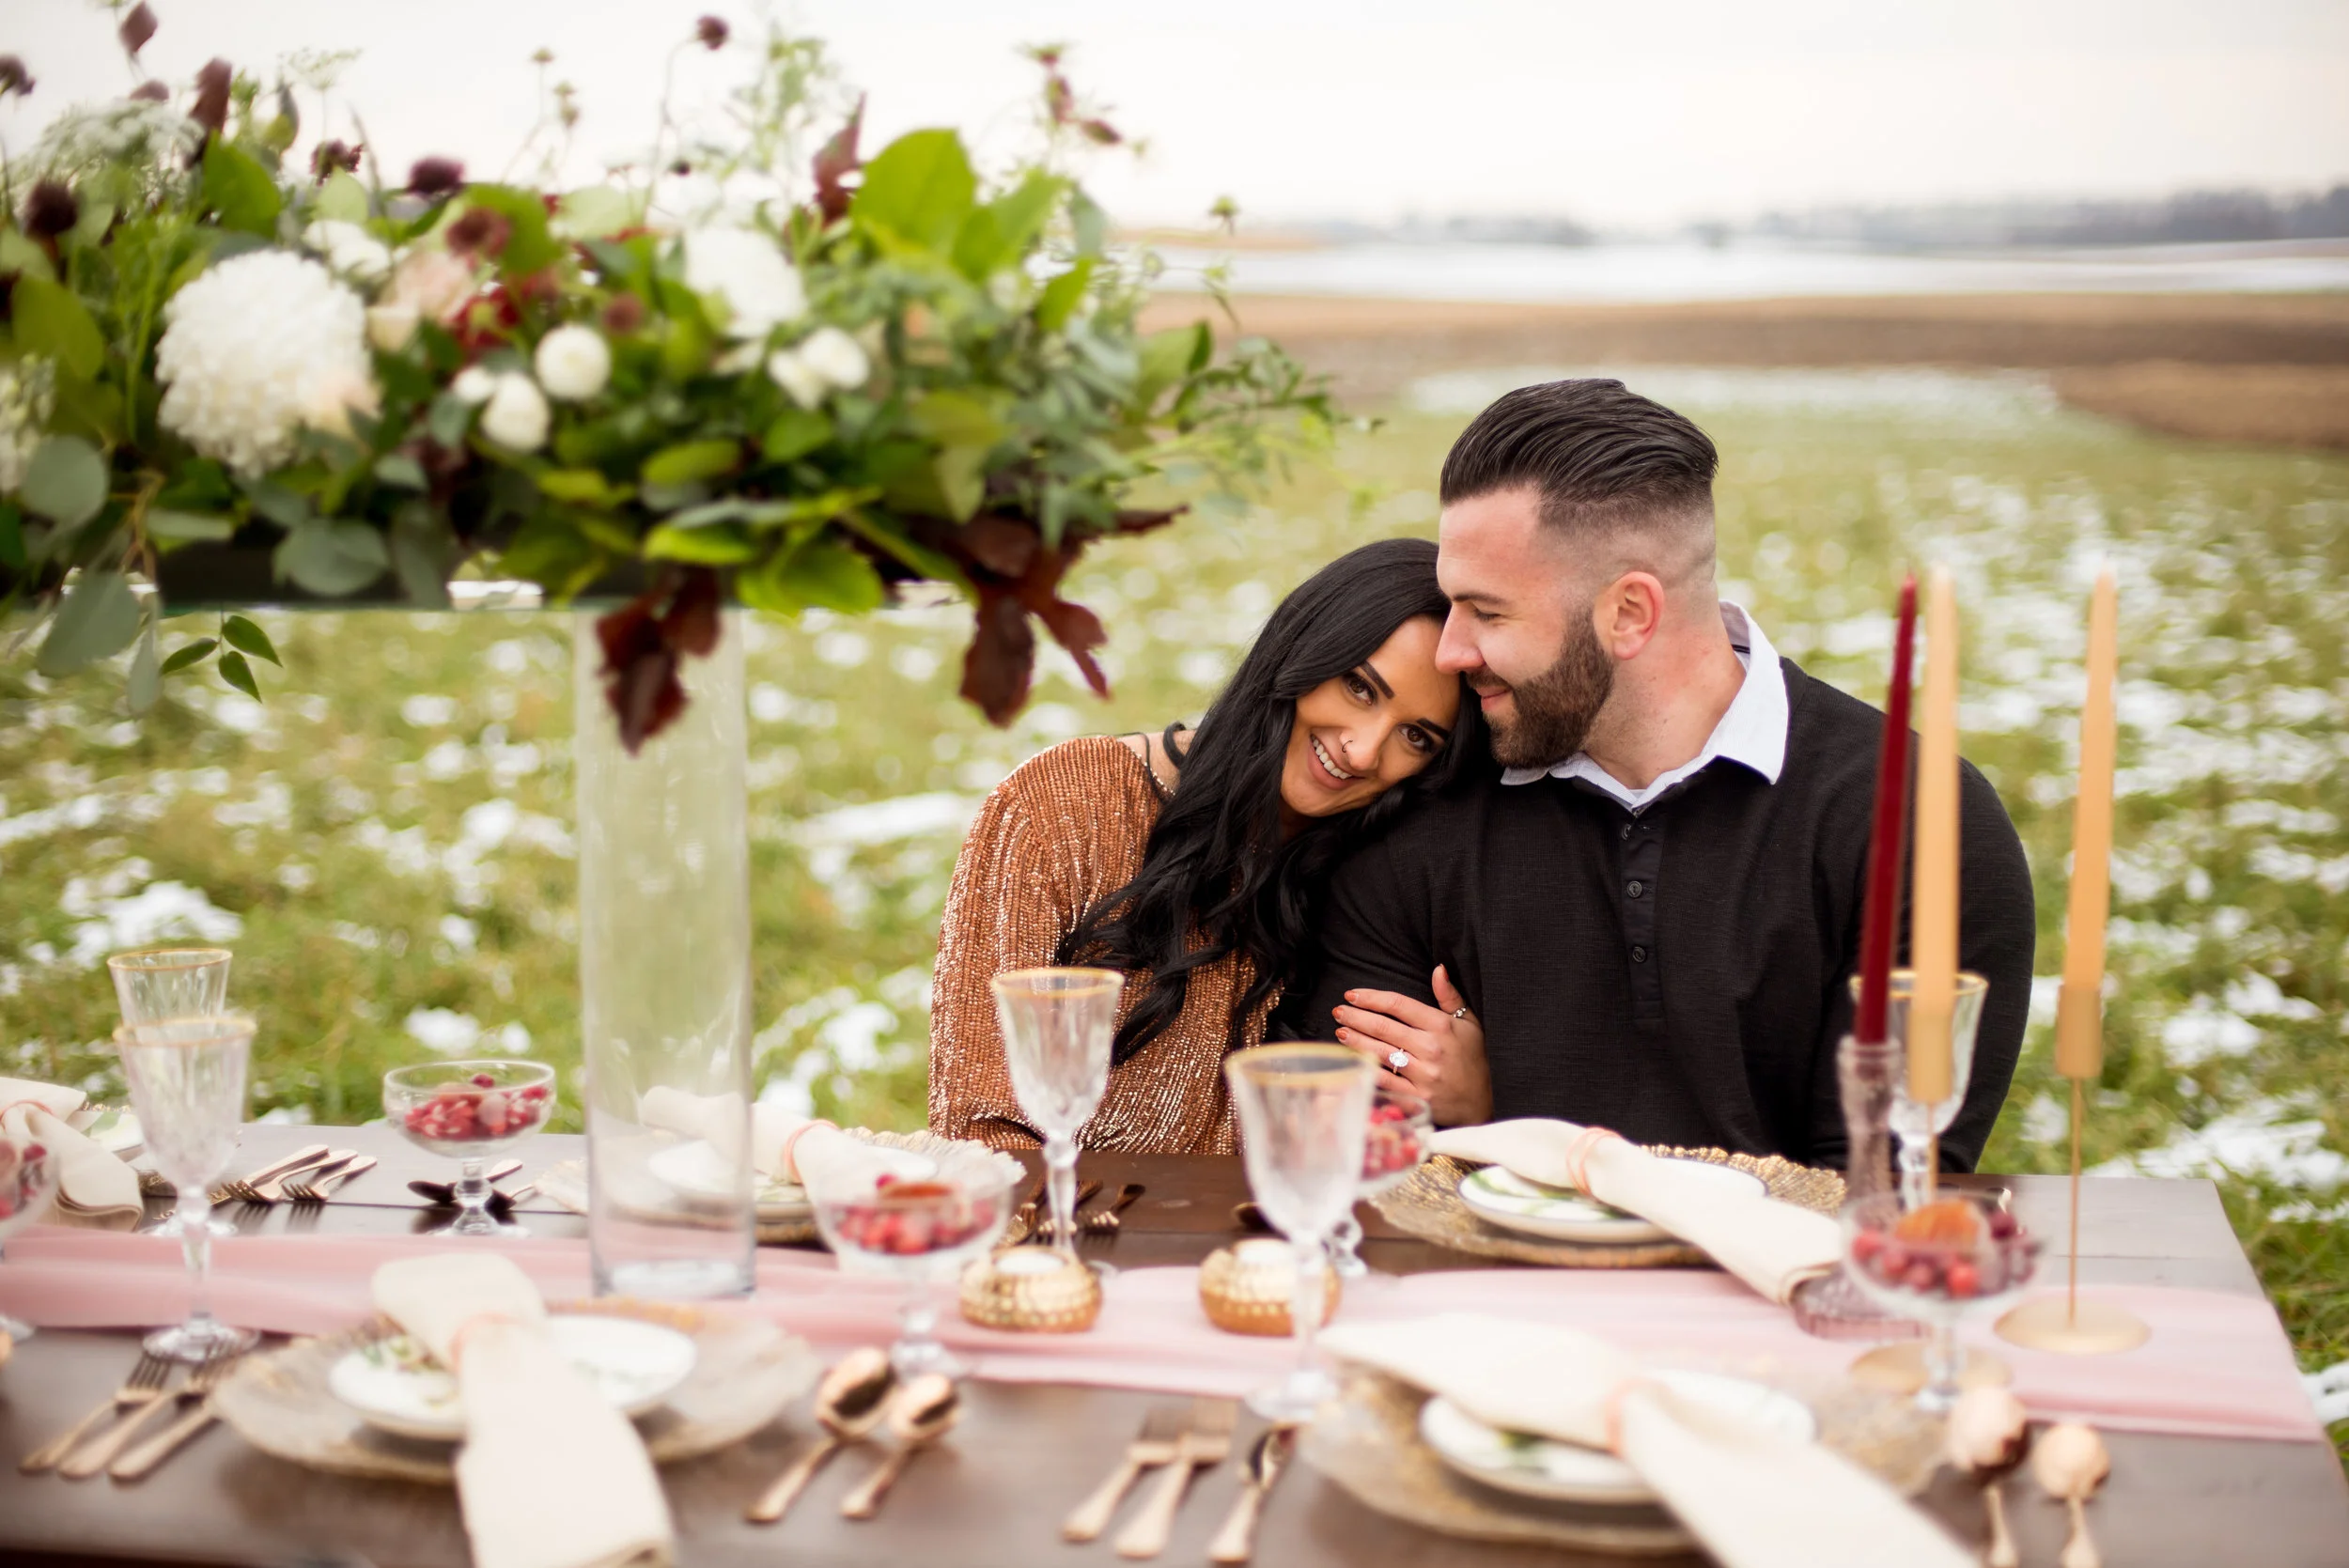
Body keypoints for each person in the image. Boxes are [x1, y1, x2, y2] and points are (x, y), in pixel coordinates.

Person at [1281, 380, 2035, 1172]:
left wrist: (1502, 1120)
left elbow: (1878, 1189)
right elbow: (1353, 1149)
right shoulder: (1426, 795)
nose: (1451, 652)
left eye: (1489, 613)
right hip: (1469, 1288)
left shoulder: (1919, 821)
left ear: (1630, 613)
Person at [928, 537, 1483, 1155]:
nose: (1363, 750)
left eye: (1416, 736)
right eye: (1359, 687)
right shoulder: (1060, 810)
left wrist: (1474, 1103)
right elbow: (976, 1129)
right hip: (1066, 1233)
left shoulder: (1380, 867)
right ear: (1299, 650)